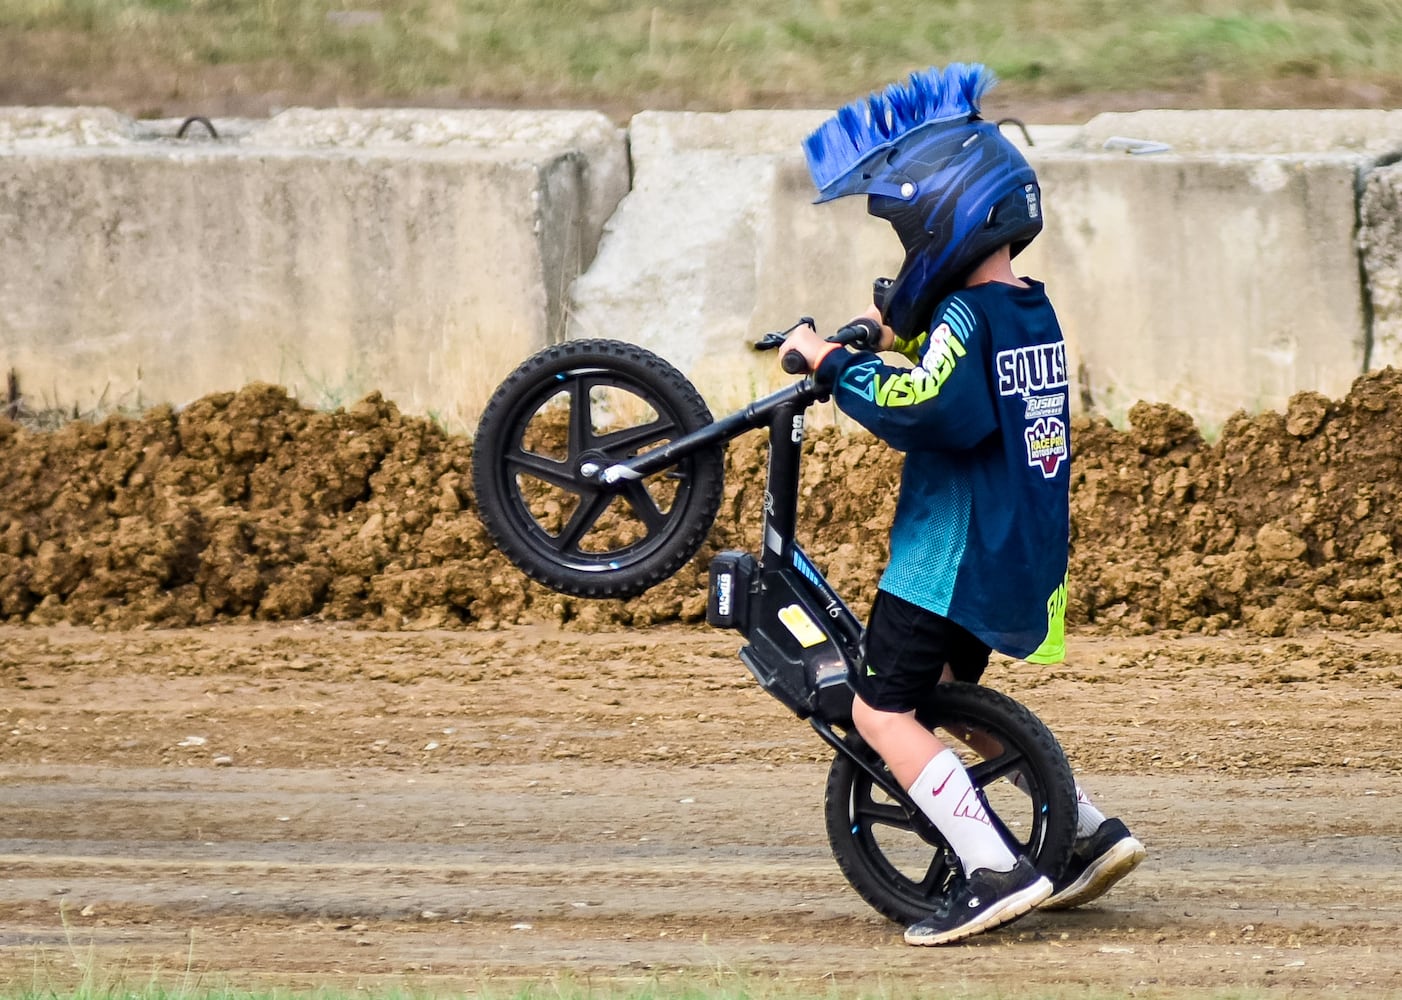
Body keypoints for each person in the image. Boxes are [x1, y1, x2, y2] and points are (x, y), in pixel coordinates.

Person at [781, 63, 1145, 946]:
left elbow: (928, 408)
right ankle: (1084, 830)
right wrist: (896, 336)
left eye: (910, 238)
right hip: (1014, 548)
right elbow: (973, 386)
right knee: (944, 698)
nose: (907, 259)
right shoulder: (1029, 311)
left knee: (880, 709)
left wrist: (830, 362)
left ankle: (989, 869)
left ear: (945, 218)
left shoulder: (965, 323)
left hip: (947, 557)